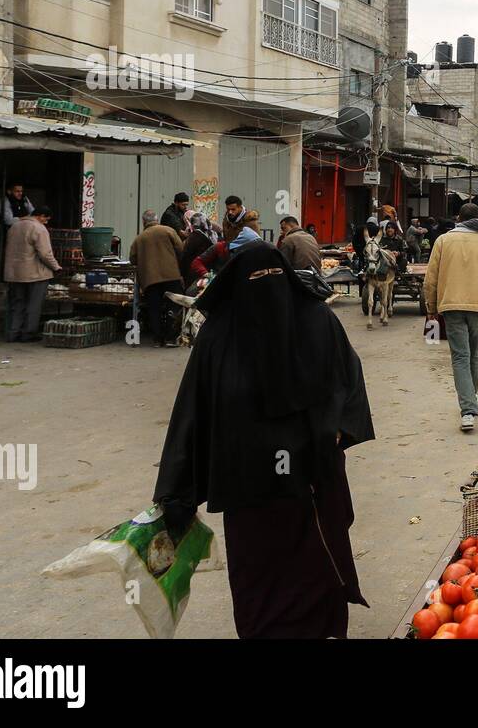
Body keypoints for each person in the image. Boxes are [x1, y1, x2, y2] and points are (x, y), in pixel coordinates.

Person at [153, 243, 373, 639]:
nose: (266, 290)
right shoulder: (219, 334)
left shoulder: (317, 320)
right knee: (257, 570)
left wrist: (340, 428)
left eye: (273, 278)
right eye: (256, 281)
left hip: (311, 478)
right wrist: (176, 490)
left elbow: (349, 377)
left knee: (316, 564)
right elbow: (193, 410)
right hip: (246, 486)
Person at [423, 203, 478, 433]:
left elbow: (431, 278)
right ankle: (470, 400)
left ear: (459, 219)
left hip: (451, 306)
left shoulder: (443, 241)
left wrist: (431, 307)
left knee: (460, 357)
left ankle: (467, 408)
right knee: (473, 354)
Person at [3, 205, 59, 342]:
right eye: (46, 220)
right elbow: (45, 254)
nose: (46, 223)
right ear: (41, 216)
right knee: (33, 305)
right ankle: (27, 334)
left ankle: (12, 333)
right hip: (35, 274)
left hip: (14, 274)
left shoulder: (14, 227)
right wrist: (56, 267)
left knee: (17, 304)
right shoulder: (39, 229)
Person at [130, 209, 185, 347]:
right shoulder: (168, 230)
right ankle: (171, 339)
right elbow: (181, 248)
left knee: (154, 308)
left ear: (144, 222)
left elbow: (132, 259)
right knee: (174, 305)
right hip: (171, 275)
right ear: (157, 219)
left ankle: (157, 339)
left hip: (150, 279)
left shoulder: (139, 238)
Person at [179, 213, 215, 286]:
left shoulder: (194, 237)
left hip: (194, 273)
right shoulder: (209, 235)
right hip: (203, 271)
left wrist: (181, 273)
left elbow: (185, 256)